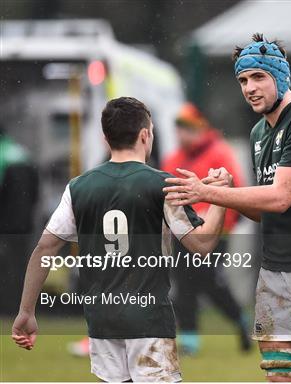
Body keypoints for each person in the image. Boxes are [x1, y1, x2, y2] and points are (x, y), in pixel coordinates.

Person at [164, 33, 291, 382]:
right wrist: (228, 190)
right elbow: (266, 208)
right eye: (242, 80)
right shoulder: (258, 133)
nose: (249, 87)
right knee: (280, 376)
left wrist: (207, 193)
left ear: (281, 77)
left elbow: (281, 197)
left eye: (258, 77)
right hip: (275, 273)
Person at [12, 97, 228, 382]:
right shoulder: (162, 184)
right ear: (145, 135)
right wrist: (221, 197)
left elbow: (44, 249)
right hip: (149, 318)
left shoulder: (78, 187)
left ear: (106, 139)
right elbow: (201, 245)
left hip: (103, 321)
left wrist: (26, 311)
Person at [161, 102, 251, 354]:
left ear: (200, 128)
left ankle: (239, 319)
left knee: (211, 283)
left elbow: (234, 192)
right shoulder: (174, 158)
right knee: (184, 282)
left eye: (187, 128)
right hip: (183, 233)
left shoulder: (219, 153)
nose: (182, 134)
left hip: (216, 232)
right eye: (179, 129)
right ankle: (189, 339)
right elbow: (168, 198)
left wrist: (214, 219)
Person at [0, 126, 39, 315]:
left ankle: (6, 307)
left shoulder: (2, 156)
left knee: (6, 268)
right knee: (21, 267)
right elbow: (34, 192)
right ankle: (20, 306)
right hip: (25, 224)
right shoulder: (22, 154)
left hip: (5, 225)